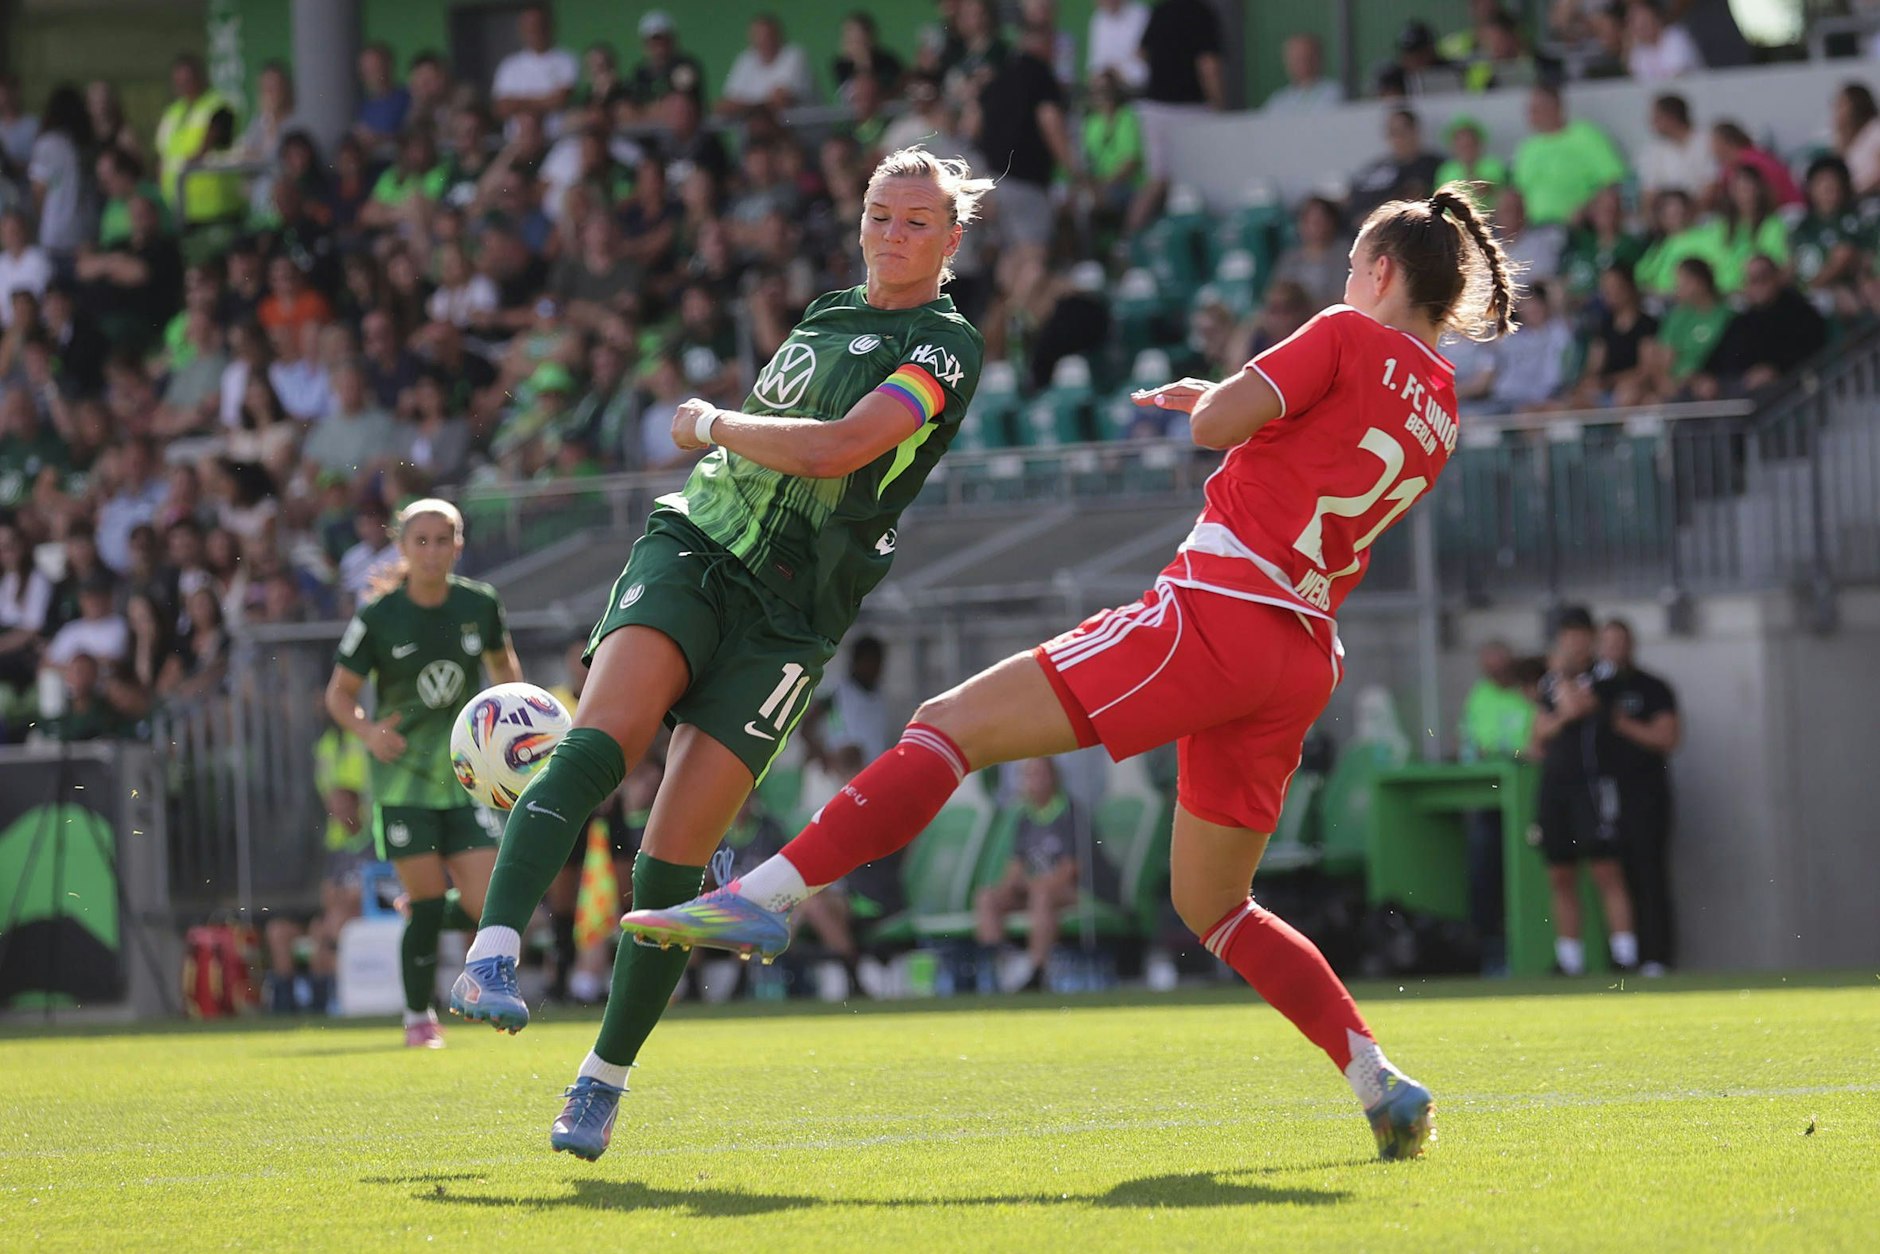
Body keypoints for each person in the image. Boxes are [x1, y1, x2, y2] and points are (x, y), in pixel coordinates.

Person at [626, 183, 1520, 1163]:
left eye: (1352, 265)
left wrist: (1218, 398)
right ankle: (1377, 1079)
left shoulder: (1344, 332)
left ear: (1380, 272)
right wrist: (1241, 408)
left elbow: (1219, 427)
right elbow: (1322, 450)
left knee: (948, 724)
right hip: (1300, 650)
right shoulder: (1442, 405)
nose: (1345, 281)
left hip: (1215, 613)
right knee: (1216, 906)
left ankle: (766, 896)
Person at [444, 147, 991, 1160]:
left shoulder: (945, 346)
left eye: (918, 221)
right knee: (604, 740)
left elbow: (835, 449)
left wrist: (710, 422)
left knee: (674, 862)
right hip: (697, 546)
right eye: (880, 213)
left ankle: (601, 1082)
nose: (893, 233)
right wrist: (725, 438)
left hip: (793, 617)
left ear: (952, 239)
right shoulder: (826, 312)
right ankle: (491, 952)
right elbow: (785, 441)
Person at [326, 499, 521, 1048]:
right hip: (403, 782)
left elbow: (505, 670)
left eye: (443, 540)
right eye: (421, 541)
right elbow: (339, 695)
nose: (433, 551)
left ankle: (425, 909)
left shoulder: (480, 603)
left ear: (459, 545)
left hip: (467, 779)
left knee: (489, 905)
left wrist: (514, 725)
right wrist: (368, 732)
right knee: (432, 903)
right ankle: (418, 1017)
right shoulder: (378, 616)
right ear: (402, 548)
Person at [1530, 607, 1638, 976]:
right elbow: (1538, 734)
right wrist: (1558, 707)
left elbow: (1577, 708)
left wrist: (1562, 686)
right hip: (1555, 787)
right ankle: (1569, 959)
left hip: (1592, 785)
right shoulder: (1550, 682)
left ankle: (1625, 954)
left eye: (1579, 635)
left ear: (1590, 638)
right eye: (1567, 636)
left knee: (1605, 869)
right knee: (1560, 873)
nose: (1573, 643)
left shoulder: (1604, 675)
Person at [1595, 619, 1679, 977]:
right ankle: (1623, 956)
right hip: (1603, 798)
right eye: (1608, 642)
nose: (1614, 649)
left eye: (1620, 642)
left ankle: (1657, 956)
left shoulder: (1652, 688)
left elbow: (1667, 737)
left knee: (1649, 873)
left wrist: (1622, 723)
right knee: (1612, 874)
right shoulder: (1593, 688)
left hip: (1645, 796)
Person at [1458, 641, 1536, 975]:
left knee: (1524, 875)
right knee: (1485, 871)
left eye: (1501, 667)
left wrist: (1510, 752)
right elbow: (1470, 741)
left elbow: (1531, 745)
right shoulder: (1480, 695)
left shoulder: (1529, 693)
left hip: (1527, 793)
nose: (1496, 674)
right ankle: (1491, 953)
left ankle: (1526, 950)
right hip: (1491, 796)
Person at [975, 757, 1080, 992]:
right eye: (1027, 775)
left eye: (1038, 774)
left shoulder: (1069, 812)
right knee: (986, 897)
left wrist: (1036, 885)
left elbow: (1070, 869)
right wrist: (1009, 887)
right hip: (1032, 889)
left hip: (1066, 892)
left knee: (1041, 894)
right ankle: (1003, 963)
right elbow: (1016, 865)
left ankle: (1036, 971)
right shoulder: (1024, 817)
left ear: (1053, 777)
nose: (1032, 781)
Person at [1686, 254, 1827, 400]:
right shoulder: (1743, 320)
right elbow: (1718, 359)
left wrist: (1776, 369)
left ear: (1777, 277)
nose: (1758, 285)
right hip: (1737, 392)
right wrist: (1704, 378)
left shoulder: (1800, 312)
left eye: (1763, 278)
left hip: (1786, 393)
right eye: (1751, 280)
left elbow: (1809, 351)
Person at [1511, 85, 1627, 228]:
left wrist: (1587, 210)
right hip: (1534, 228)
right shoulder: (1528, 147)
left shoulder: (1585, 135)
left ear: (1557, 107)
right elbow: (1518, 190)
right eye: (1530, 109)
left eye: (1537, 109)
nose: (1531, 115)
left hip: (1578, 226)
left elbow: (1612, 180)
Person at [492, 4, 579, 125]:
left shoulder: (566, 60)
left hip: (556, 135)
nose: (534, 31)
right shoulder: (509, 65)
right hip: (518, 136)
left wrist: (517, 102)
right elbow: (501, 108)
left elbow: (560, 100)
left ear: (549, 27)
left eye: (538, 26)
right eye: (529, 27)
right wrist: (545, 100)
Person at [1349, 110, 1443, 221]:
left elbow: (1411, 198)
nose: (1396, 138)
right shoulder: (1378, 166)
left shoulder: (1428, 164)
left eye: (1401, 132)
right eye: (1392, 132)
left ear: (1415, 131)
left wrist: (1372, 219)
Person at [718, 13, 816, 117]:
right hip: (758, 126)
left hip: (801, 126)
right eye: (758, 36)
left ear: (779, 36)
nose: (763, 41)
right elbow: (725, 105)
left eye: (768, 36)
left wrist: (743, 107)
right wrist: (762, 106)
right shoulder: (745, 59)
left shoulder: (795, 55)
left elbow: (781, 102)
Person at [1639, 93, 1713, 199]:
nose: (1652, 122)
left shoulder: (1707, 141)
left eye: (1657, 117)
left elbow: (1712, 185)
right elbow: (1649, 191)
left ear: (1671, 118)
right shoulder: (1654, 150)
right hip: (1667, 207)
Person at [1264, 33, 1343, 114]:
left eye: (1307, 56)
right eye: (1296, 58)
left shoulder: (1338, 92)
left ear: (1319, 57)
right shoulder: (1277, 101)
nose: (1302, 63)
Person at [1625, 1, 1702, 82]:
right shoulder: (1638, 52)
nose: (1641, 28)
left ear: (1656, 17)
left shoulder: (1675, 36)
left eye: (1645, 22)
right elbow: (1639, 82)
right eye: (1635, 23)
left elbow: (1678, 77)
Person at [1086, 0, 1150, 93]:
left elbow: (1143, 69)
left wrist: (1117, 76)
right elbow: (1095, 64)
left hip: (1138, 91)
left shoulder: (1141, 15)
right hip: (1107, 89)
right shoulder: (1098, 19)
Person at [1832, 82, 1880, 197]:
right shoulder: (1846, 139)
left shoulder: (1875, 130)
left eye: (1842, 104)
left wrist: (1859, 194)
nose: (1837, 110)